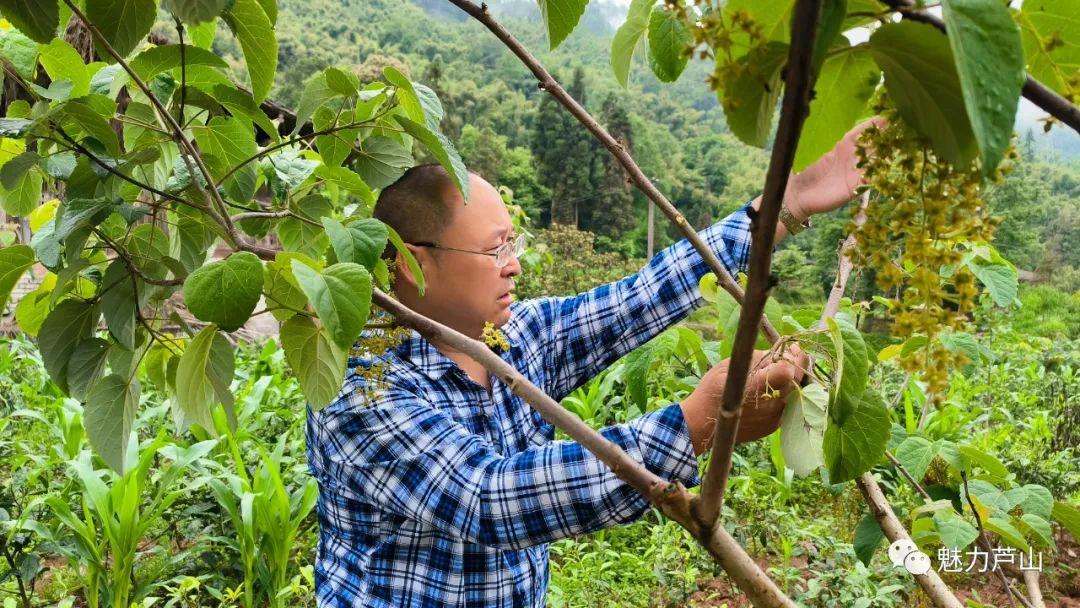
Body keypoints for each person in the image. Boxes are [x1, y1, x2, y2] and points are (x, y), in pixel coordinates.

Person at [305, 120, 880, 607]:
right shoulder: (360, 387)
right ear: (411, 264)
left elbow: (640, 299)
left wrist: (792, 201)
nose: (514, 265)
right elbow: (488, 499)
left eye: (514, 243)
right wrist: (698, 422)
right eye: (495, 249)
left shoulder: (507, 339)